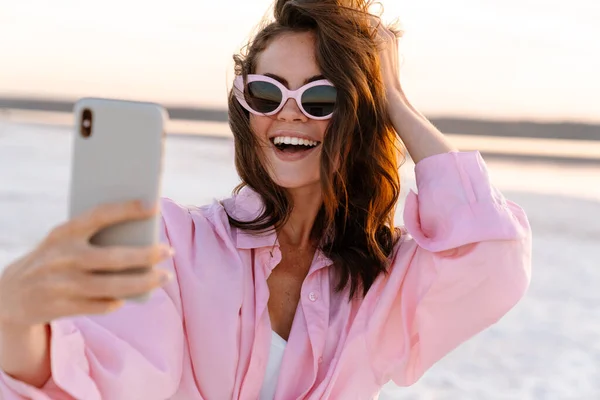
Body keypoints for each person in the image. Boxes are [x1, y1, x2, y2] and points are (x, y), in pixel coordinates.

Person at [0, 0, 532, 399]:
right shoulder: (174, 243)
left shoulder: (380, 277)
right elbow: (96, 377)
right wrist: (12, 320)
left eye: (321, 97)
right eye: (267, 92)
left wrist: (392, 96)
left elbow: (494, 260)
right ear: (246, 109)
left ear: (357, 116)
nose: (290, 113)